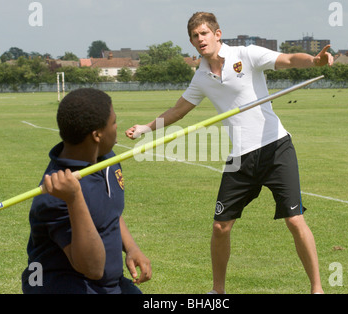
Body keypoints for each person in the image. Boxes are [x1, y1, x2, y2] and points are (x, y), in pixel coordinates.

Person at [125, 12, 333, 294]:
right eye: (195, 36)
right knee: (220, 227)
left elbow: (286, 59)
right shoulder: (201, 78)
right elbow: (178, 110)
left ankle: (317, 289)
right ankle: (218, 291)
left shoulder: (246, 55)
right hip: (241, 157)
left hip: (276, 147)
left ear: (217, 34)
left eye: (204, 33)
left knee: (295, 220)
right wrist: (145, 128)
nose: (200, 39)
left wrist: (314, 61)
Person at [22, 88, 152, 294]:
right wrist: (74, 199)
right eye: (114, 122)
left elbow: (110, 211)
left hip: (110, 284)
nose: (117, 127)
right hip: (67, 286)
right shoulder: (56, 196)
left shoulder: (108, 159)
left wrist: (131, 247)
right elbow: (92, 268)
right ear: (97, 134)